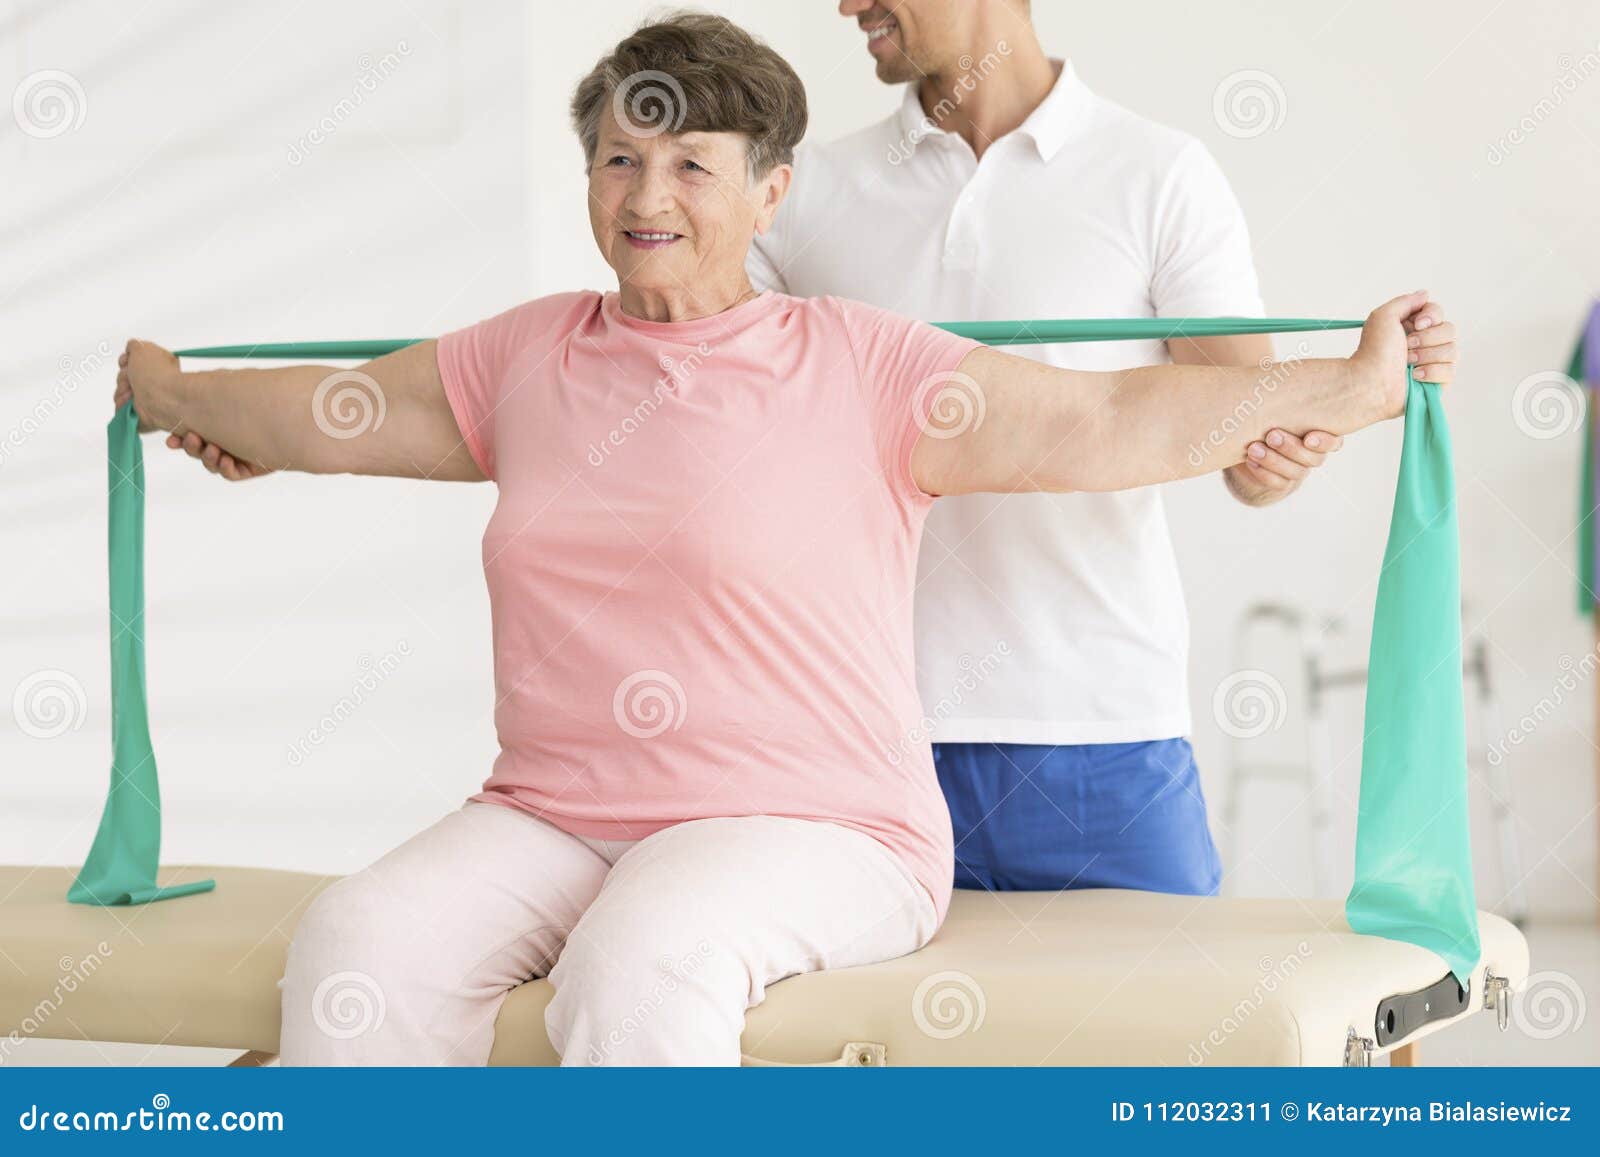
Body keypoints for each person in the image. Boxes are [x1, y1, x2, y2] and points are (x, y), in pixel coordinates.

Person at [120, 13, 1457, 1065]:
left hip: (818, 816)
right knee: (359, 948)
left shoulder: (862, 364)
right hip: (555, 811)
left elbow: (1110, 415)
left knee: (644, 963)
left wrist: (1351, 383)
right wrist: (174, 391)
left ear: (771, 198)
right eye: (620, 159)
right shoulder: (529, 355)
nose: (650, 193)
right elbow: (339, 408)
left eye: (692, 162)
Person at [750, 0, 1454, 896]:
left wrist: (1307, 428)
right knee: (900, 1041)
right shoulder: (801, 189)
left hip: (1104, 736)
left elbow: (1252, 454)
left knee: (1160, 1033)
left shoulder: (1156, 173)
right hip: (868, 741)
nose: (847, 4)